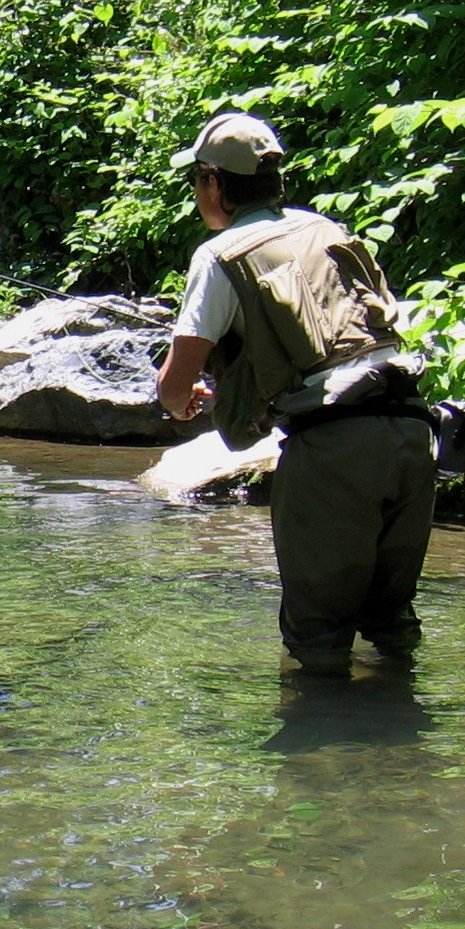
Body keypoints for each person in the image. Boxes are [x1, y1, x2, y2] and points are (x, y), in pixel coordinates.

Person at [153, 112, 437, 675]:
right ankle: (405, 751)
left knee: (317, 642)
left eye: (196, 182)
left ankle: (319, 757)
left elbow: (174, 385)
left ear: (213, 182)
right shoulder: (328, 231)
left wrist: (179, 399)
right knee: (391, 623)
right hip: (412, 433)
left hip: (333, 452)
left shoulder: (220, 256)